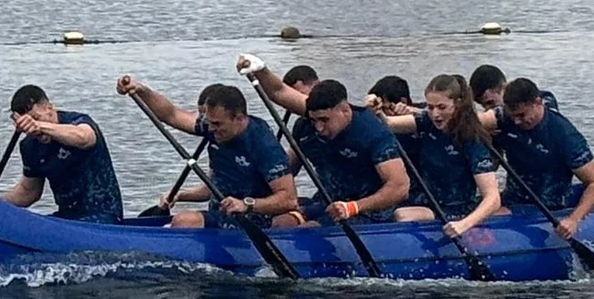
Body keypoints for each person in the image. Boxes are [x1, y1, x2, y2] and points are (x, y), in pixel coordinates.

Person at [117, 77, 303, 230]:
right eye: (208, 122)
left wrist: (246, 204)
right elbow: (171, 114)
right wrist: (141, 89)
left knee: (184, 221)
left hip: (255, 220)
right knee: (183, 220)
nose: (211, 129)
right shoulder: (213, 127)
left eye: (217, 124)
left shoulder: (263, 145)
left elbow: (289, 199)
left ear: (239, 118)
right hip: (221, 215)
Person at [382, 75, 505, 239]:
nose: (435, 114)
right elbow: (386, 124)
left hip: (454, 211)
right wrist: (376, 109)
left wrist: (463, 225)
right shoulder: (426, 121)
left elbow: (493, 197)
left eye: (442, 107)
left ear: (458, 104)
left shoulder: (471, 139)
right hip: (425, 202)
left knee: (402, 215)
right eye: (430, 107)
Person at [490, 78, 594, 240]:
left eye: (521, 115)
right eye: (513, 116)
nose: (516, 121)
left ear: (537, 103)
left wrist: (573, 220)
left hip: (547, 208)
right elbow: (475, 122)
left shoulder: (565, 135)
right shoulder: (507, 119)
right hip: (512, 199)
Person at [284, 80, 412, 225]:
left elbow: (400, 187)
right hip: (327, 202)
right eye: (314, 121)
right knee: (282, 222)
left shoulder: (372, 132)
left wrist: (352, 207)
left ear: (345, 110)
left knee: (310, 228)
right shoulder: (305, 127)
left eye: (324, 120)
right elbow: (288, 170)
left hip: (368, 211)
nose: (319, 128)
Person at [0, 85, 124, 223]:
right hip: (67, 216)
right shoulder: (29, 147)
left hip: (104, 213)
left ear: (49, 108)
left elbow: (85, 138)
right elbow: (29, 192)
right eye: (26, 124)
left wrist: (40, 126)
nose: (32, 129)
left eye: (36, 118)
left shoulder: (78, 121)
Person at [238, 55, 319, 117]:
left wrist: (261, 71)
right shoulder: (301, 125)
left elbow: (278, 92)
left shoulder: (324, 102)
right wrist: (259, 70)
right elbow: (278, 91)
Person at [470, 65, 559, 112]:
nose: (488, 109)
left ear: (504, 87)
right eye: (482, 105)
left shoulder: (545, 98)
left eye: (490, 102)